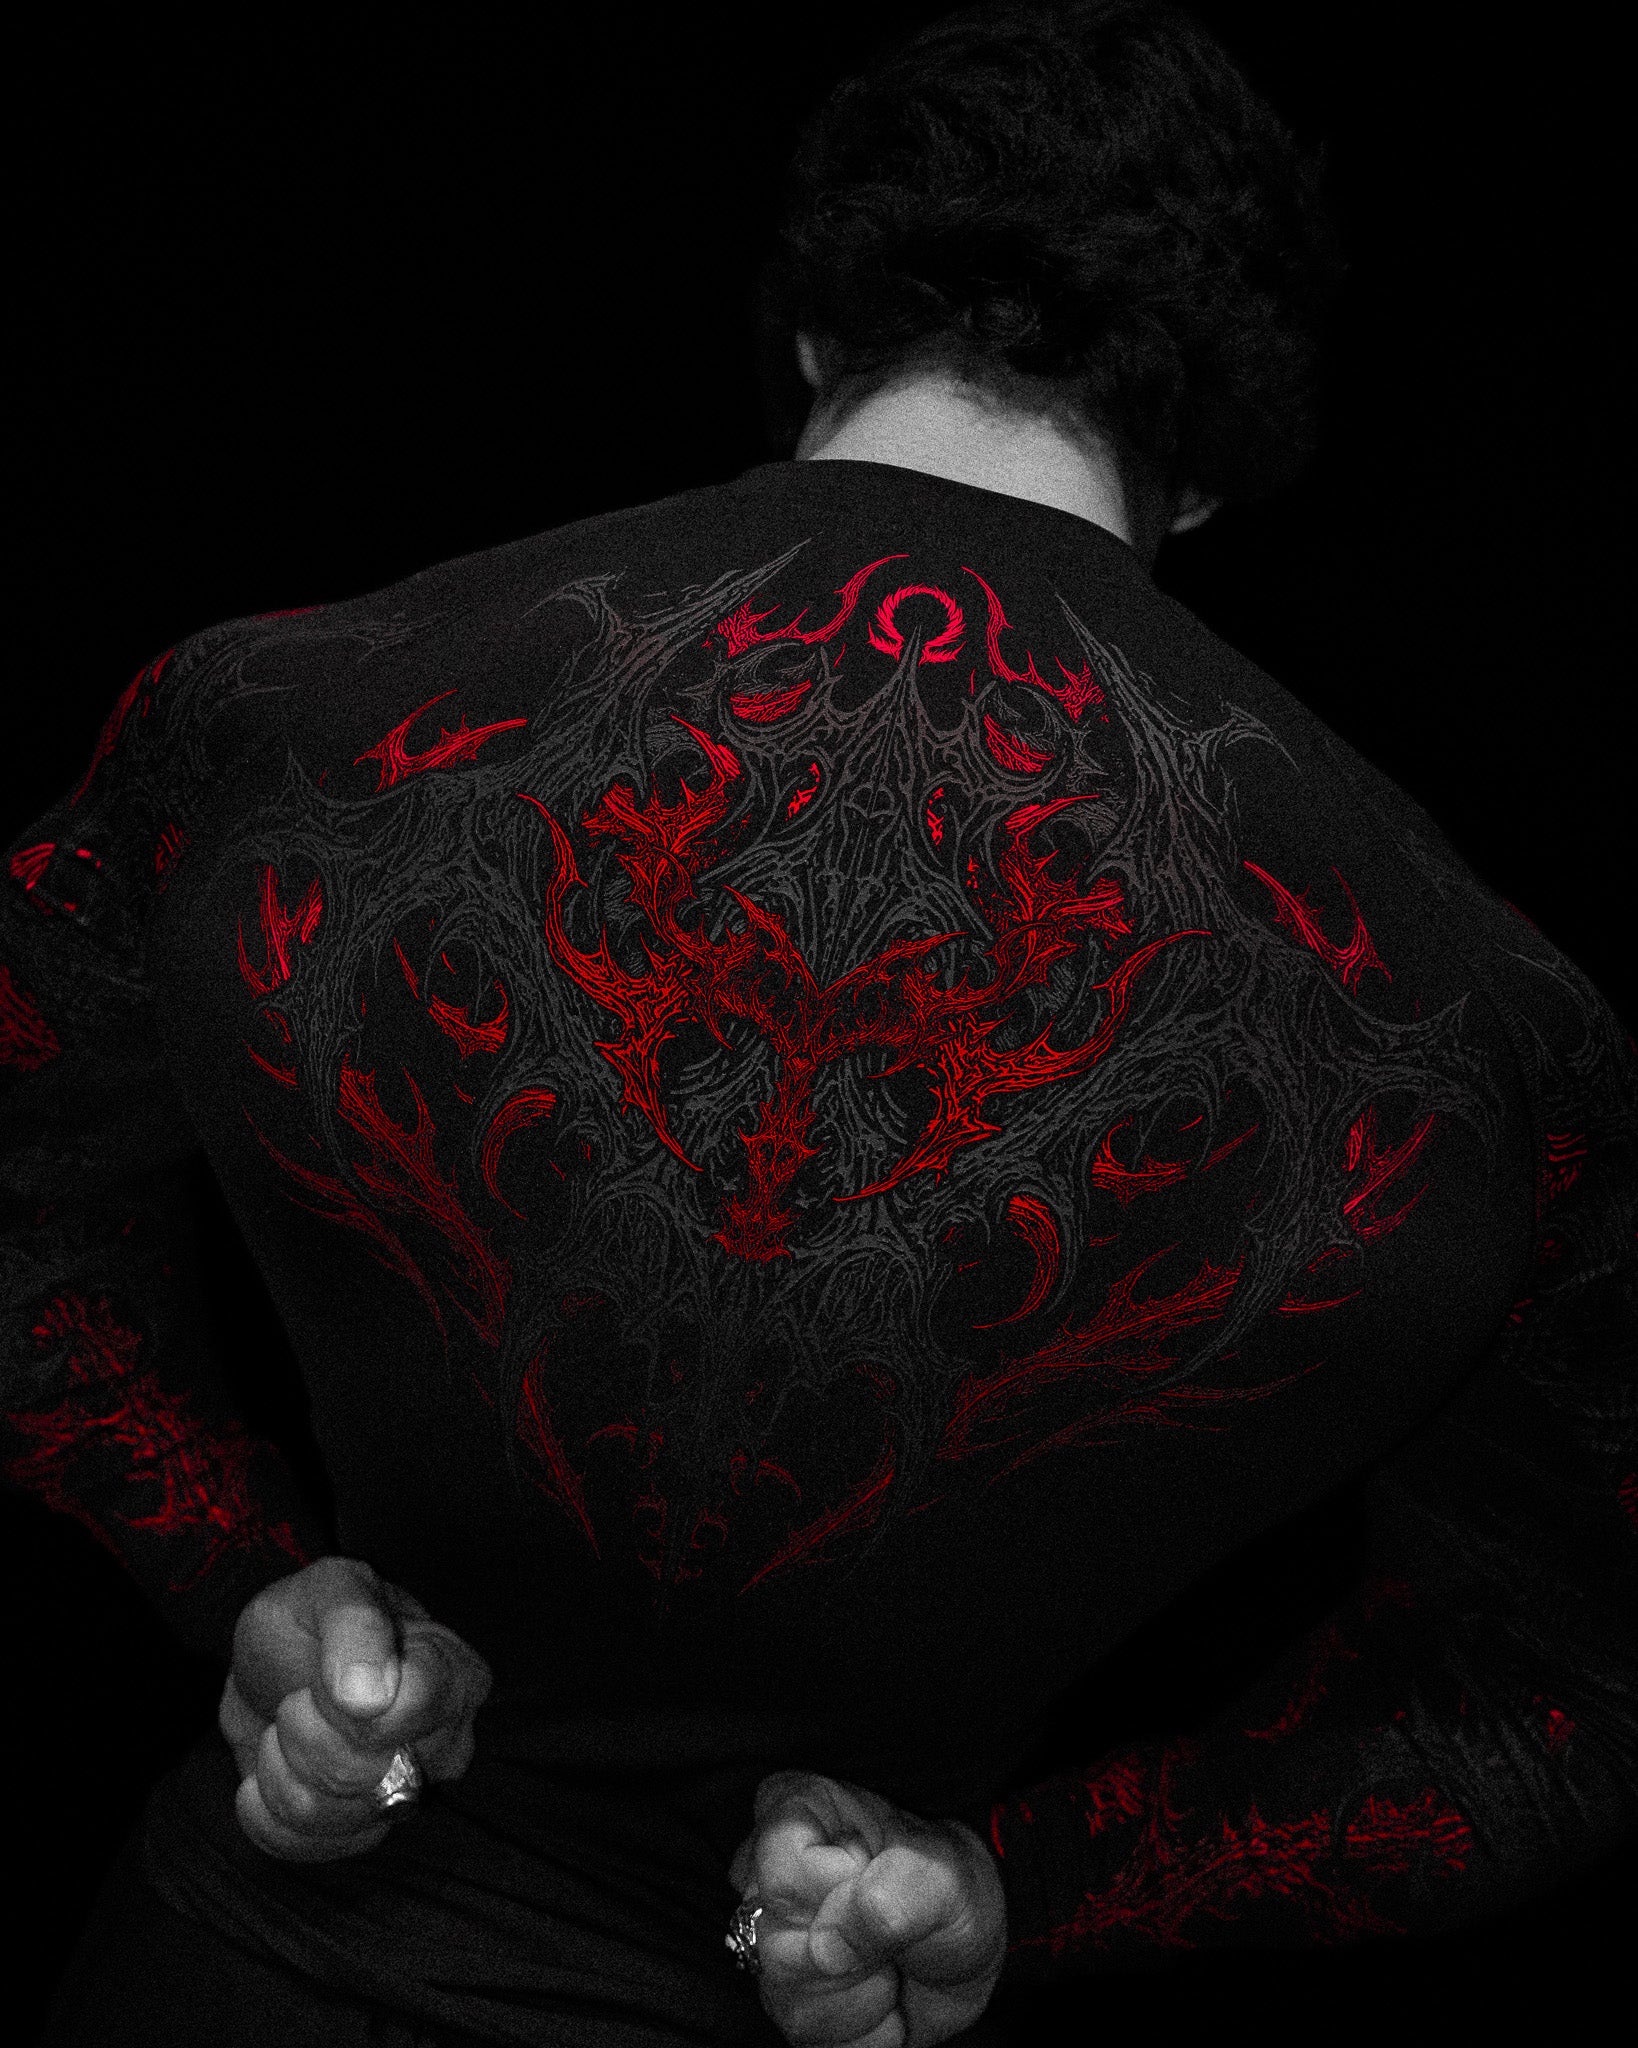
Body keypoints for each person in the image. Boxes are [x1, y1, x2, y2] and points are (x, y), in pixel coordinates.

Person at [7, 3, 1634, 2043]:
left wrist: (252, 1594)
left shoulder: (286, 711)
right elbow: (1555, 1708)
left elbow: (26, 1229)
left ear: (810, 332)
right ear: (1215, 473)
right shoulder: (1491, 1037)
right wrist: (1011, 1892)